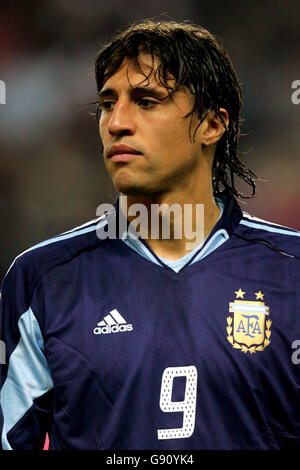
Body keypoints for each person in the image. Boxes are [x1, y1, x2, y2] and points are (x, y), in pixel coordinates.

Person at [1, 20, 300, 451]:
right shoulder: (41, 281)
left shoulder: (289, 272)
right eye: (107, 103)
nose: (116, 122)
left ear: (212, 125)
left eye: (146, 100)